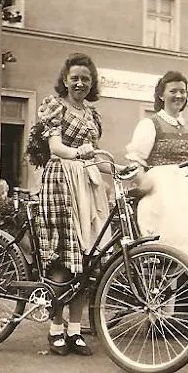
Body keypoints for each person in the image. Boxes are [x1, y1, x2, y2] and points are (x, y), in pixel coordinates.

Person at [26, 53, 111, 357]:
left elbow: (95, 155)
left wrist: (117, 169)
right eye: (74, 77)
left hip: (86, 186)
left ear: (92, 83)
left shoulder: (91, 115)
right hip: (61, 182)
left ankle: (75, 331)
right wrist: (82, 155)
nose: (79, 83)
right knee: (63, 258)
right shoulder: (55, 107)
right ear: (65, 80)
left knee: (86, 260)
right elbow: (56, 148)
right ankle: (55, 329)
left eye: (85, 79)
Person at [125, 70, 188, 259]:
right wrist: (143, 181)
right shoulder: (150, 124)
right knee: (160, 248)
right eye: (173, 91)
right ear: (161, 95)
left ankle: (176, 289)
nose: (179, 96)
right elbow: (135, 160)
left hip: (183, 195)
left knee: (184, 251)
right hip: (159, 193)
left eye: (182, 91)